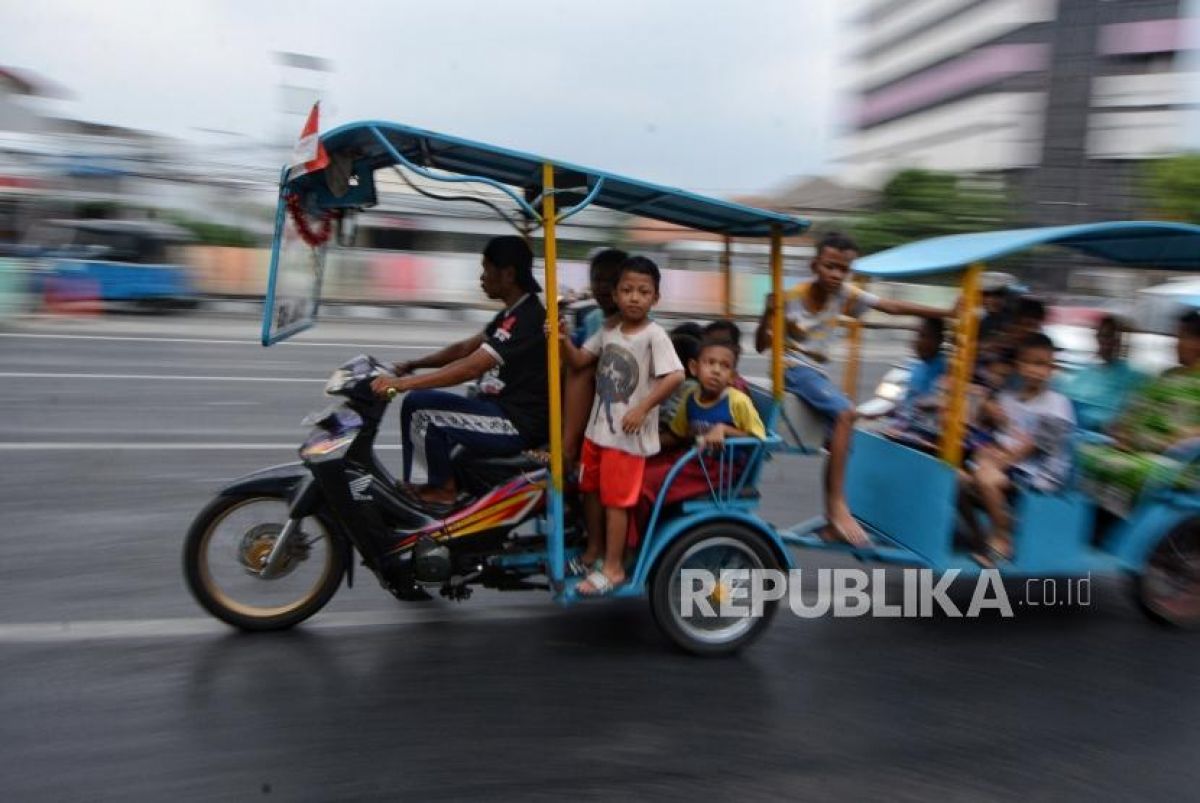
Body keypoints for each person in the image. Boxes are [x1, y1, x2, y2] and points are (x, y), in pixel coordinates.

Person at [754, 231, 955, 546]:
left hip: (817, 375)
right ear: (815, 265)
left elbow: (891, 306)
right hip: (792, 368)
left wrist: (946, 313)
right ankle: (838, 507)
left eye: (843, 269)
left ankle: (833, 519)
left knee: (843, 442)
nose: (836, 275)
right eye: (830, 266)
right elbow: (760, 345)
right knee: (846, 412)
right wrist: (768, 312)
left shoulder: (844, 295)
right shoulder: (791, 299)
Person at [371, 236, 548, 507]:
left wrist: (404, 385)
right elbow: (464, 349)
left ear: (509, 274)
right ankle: (427, 485)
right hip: (497, 408)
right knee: (428, 406)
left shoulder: (529, 317)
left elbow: (473, 366)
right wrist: (414, 364)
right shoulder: (510, 315)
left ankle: (439, 490)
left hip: (516, 423)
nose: (481, 278)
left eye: (486, 269)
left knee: (421, 409)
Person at [558, 256, 684, 595]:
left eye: (643, 292)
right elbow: (579, 360)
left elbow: (675, 375)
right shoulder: (608, 330)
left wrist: (643, 408)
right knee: (590, 492)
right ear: (615, 295)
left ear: (655, 298)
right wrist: (561, 338)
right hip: (598, 432)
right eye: (627, 290)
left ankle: (613, 568)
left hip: (626, 439)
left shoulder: (655, 336)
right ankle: (593, 552)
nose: (634, 298)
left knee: (616, 502)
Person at [629, 334, 767, 547]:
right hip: (694, 461)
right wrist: (639, 445)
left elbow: (758, 437)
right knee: (635, 470)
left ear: (732, 376)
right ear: (694, 368)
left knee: (644, 486)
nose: (716, 370)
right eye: (710, 363)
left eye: (725, 366)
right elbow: (677, 435)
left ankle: (632, 546)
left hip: (720, 470)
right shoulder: (691, 398)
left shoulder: (737, 401)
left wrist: (724, 429)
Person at [960, 333, 1076, 566]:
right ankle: (980, 535)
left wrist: (996, 462)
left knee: (986, 478)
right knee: (956, 478)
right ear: (1019, 365)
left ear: (1052, 368)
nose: (1036, 370)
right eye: (1030, 363)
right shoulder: (1008, 397)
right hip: (1010, 466)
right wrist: (988, 449)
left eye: (1042, 364)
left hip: (1039, 472)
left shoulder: (1058, 404)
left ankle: (1003, 536)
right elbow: (998, 435)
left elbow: (1035, 447)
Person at [1077, 310, 1200, 517]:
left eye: (1182, 337)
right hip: (1139, 448)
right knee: (1081, 453)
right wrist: (1123, 431)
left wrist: (1186, 436)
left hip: (1180, 461)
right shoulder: (1166, 376)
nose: (1176, 344)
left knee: (1118, 466)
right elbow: (1136, 408)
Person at [563, 248, 627, 466]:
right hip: (597, 390)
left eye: (611, 281)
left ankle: (568, 448)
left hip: (626, 391)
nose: (603, 287)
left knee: (582, 371)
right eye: (597, 280)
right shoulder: (593, 319)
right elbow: (577, 351)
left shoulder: (635, 320)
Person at [1058, 314, 1146, 432]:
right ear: (1097, 338)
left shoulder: (1132, 377)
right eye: (1104, 337)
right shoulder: (1085, 372)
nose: (1108, 343)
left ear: (1120, 341)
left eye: (1113, 338)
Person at [882, 317, 947, 451]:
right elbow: (905, 403)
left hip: (925, 435)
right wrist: (886, 411)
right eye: (917, 335)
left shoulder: (945, 368)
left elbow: (937, 407)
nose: (917, 342)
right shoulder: (914, 366)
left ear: (939, 341)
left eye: (924, 336)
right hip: (905, 428)